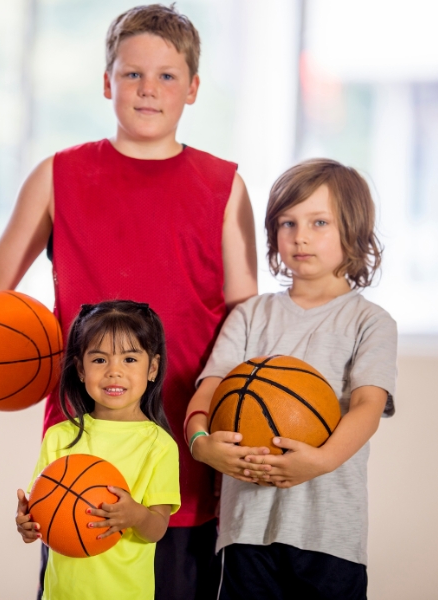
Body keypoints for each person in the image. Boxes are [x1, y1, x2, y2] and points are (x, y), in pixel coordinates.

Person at [0, 5, 257, 597]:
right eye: (132, 75)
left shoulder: (224, 186)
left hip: (181, 450)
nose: (148, 90)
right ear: (107, 82)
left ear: (195, 88)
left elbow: (248, 322)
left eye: (166, 76)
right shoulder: (59, 175)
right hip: (80, 448)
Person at [184, 158, 397, 599]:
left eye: (319, 222)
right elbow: (209, 389)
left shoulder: (370, 322)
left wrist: (317, 461)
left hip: (329, 534)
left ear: (353, 231)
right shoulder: (250, 315)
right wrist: (201, 444)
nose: (300, 236)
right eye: (287, 222)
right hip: (246, 532)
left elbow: (367, 407)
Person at [15, 300, 180, 599]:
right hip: (62, 593)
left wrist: (135, 516)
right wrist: (28, 524)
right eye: (100, 360)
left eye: (129, 360)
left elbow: (157, 528)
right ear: (80, 368)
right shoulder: (59, 437)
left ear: (152, 367)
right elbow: (42, 511)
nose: (114, 372)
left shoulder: (159, 445)